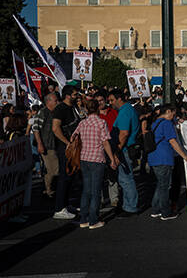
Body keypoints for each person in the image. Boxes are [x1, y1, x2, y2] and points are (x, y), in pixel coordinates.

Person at [71, 99, 119, 229]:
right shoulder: (101, 122)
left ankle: (84, 219)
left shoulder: (83, 123)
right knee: (96, 191)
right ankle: (93, 220)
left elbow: (73, 137)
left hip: (84, 158)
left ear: (86, 109)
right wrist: (112, 159)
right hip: (97, 159)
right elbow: (105, 142)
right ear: (97, 108)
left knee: (86, 190)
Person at [148, 104, 187, 220]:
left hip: (154, 157)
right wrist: (185, 156)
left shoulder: (155, 123)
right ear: (168, 111)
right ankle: (165, 212)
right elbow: (173, 141)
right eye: (173, 113)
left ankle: (156, 209)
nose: (174, 116)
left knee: (160, 185)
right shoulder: (167, 123)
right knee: (164, 187)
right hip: (164, 158)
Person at [108, 88, 141, 217]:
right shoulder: (126, 110)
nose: (110, 103)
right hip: (125, 148)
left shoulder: (125, 111)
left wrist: (117, 150)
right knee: (124, 179)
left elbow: (124, 133)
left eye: (112, 100)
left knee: (126, 180)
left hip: (124, 149)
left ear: (119, 99)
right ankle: (127, 204)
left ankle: (131, 207)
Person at [52, 85, 81, 220]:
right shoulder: (60, 109)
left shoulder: (72, 107)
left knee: (71, 176)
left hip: (74, 146)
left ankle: (66, 204)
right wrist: (67, 143)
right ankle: (59, 208)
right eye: (75, 95)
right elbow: (55, 128)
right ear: (68, 95)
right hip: (65, 148)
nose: (77, 97)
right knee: (64, 176)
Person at [32, 93, 59, 198]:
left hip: (54, 145)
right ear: (48, 102)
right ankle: (48, 189)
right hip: (47, 146)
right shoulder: (43, 112)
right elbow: (35, 128)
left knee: (52, 169)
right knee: (55, 170)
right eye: (55, 101)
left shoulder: (55, 113)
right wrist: (40, 144)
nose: (57, 102)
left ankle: (49, 189)